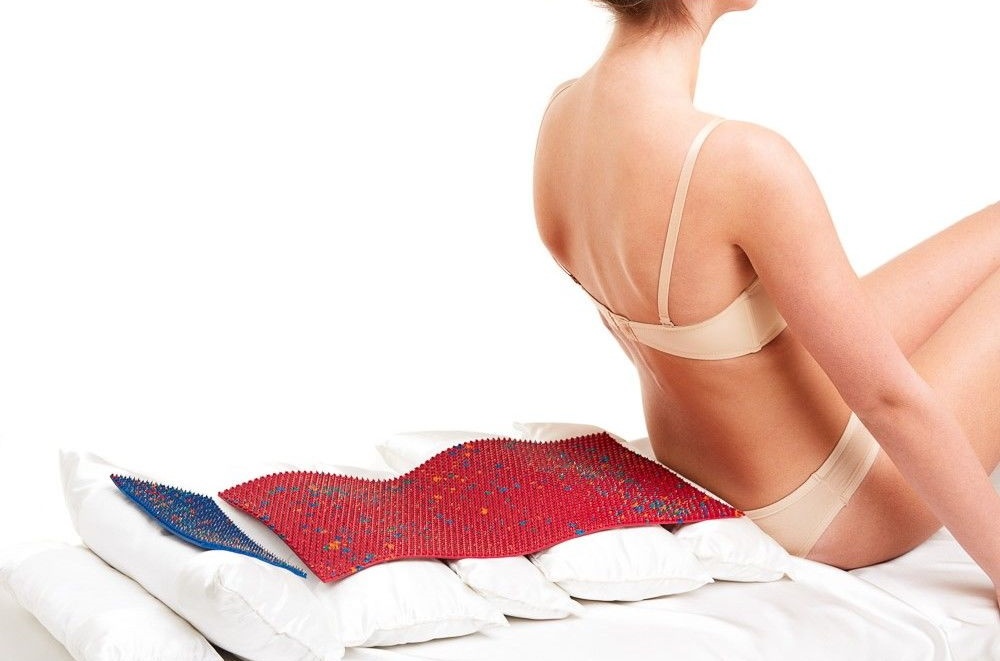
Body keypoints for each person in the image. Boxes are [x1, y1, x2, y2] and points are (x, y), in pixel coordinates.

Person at [533, 0, 1000, 602]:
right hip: (822, 504)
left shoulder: (563, 117)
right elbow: (888, 402)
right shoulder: (740, 162)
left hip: (706, 463)